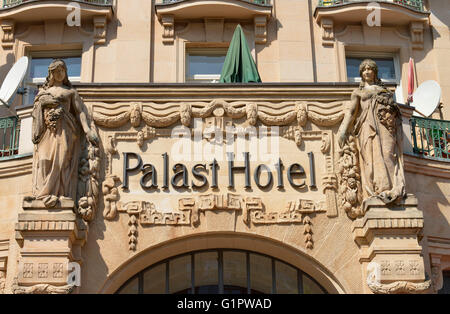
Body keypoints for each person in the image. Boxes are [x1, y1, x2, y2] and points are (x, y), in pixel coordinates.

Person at [31, 59, 98, 207]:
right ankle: (44, 193)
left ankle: (61, 193)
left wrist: (87, 130)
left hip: (65, 130)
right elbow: (36, 112)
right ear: (51, 73)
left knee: (63, 160)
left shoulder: (70, 92)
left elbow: (80, 112)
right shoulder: (43, 93)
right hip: (47, 132)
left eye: (62, 70)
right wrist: (44, 103)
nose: (59, 73)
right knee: (44, 160)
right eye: (56, 71)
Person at [337, 59, 405, 204]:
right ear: (361, 74)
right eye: (364, 69)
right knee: (371, 158)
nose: (367, 71)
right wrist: (342, 130)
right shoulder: (358, 92)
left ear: (375, 72)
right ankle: (376, 189)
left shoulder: (385, 91)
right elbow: (350, 112)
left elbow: (394, 112)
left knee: (388, 153)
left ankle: (392, 188)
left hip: (384, 127)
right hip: (367, 127)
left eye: (370, 69)